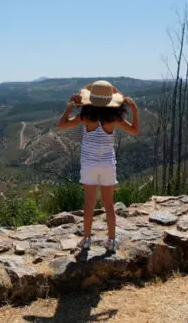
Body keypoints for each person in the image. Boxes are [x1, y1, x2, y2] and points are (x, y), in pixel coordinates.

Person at [56, 80, 140, 253]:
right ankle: (110, 242)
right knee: (109, 205)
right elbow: (135, 130)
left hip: (89, 165)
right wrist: (135, 110)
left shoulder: (86, 117)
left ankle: (86, 239)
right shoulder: (115, 118)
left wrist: (70, 106)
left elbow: (62, 125)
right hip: (108, 165)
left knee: (89, 204)